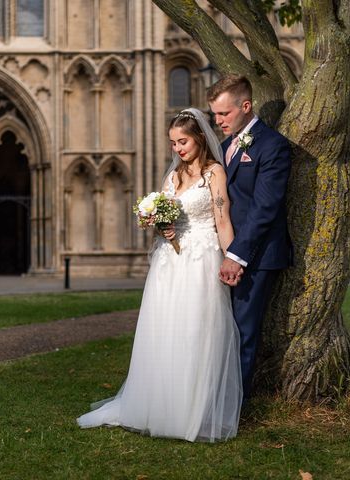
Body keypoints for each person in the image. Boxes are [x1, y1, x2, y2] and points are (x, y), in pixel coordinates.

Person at [77, 108, 242, 442]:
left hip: (201, 259)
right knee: (164, 331)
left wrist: (233, 259)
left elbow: (222, 219)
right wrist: (160, 226)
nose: (177, 149)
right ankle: (160, 406)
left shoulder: (213, 174)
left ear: (199, 138)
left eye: (182, 141)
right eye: (172, 143)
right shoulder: (172, 178)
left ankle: (192, 412)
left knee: (197, 331)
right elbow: (162, 219)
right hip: (169, 263)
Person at [208, 75, 292, 401]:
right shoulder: (226, 147)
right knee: (219, 329)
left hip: (255, 257)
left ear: (246, 106)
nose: (218, 121)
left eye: (224, 114)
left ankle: (233, 409)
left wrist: (236, 255)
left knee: (242, 332)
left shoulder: (273, 146)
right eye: (215, 115)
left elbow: (264, 208)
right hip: (226, 253)